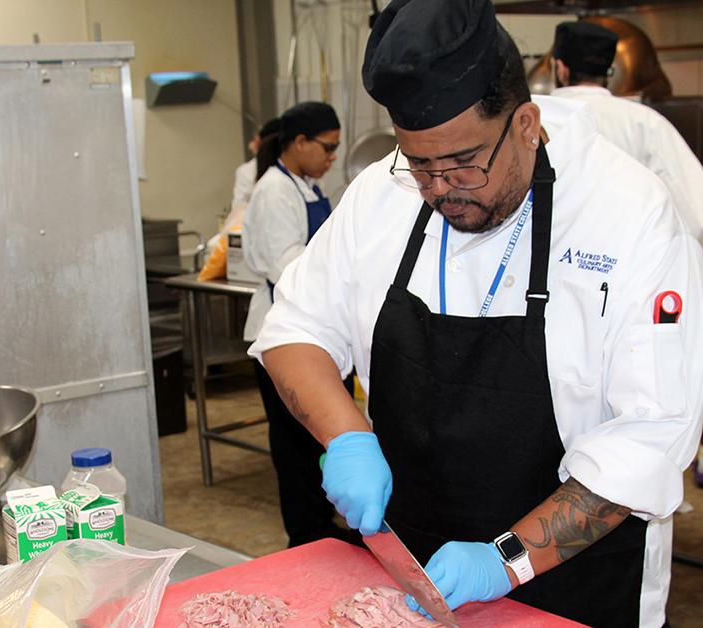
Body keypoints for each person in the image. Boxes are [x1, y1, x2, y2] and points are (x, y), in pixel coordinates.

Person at [248, 1, 703, 626]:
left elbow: (650, 436)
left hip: (575, 586)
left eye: (464, 162)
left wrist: (504, 560)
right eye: (420, 165)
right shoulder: (381, 194)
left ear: (525, 124)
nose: (441, 189)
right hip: (411, 573)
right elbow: (295, 330)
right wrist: (347, 436)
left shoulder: (628, 216)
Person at [241, 101, 356, 548]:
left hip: (315, 332)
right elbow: (287, 265)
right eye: (327, 148)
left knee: (316, 443)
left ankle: (321, 527)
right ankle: (307, 535)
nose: (331, 158)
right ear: (299, 142)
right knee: (296, 448)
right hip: (282, 337)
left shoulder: (305, 186)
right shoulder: (275, 190)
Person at [550, 20, 703, 243]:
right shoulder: (644, 121)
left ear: (561, 68)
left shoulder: (532, 118)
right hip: (628, 259)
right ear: (608, 71)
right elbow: (696, 203)